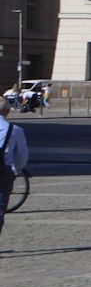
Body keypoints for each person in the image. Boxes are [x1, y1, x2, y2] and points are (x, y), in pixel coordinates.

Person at [0, 101, 28, 236]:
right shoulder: (15, 130)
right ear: (7, 111)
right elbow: (22, 156)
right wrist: (16, 170)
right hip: (3, 171)